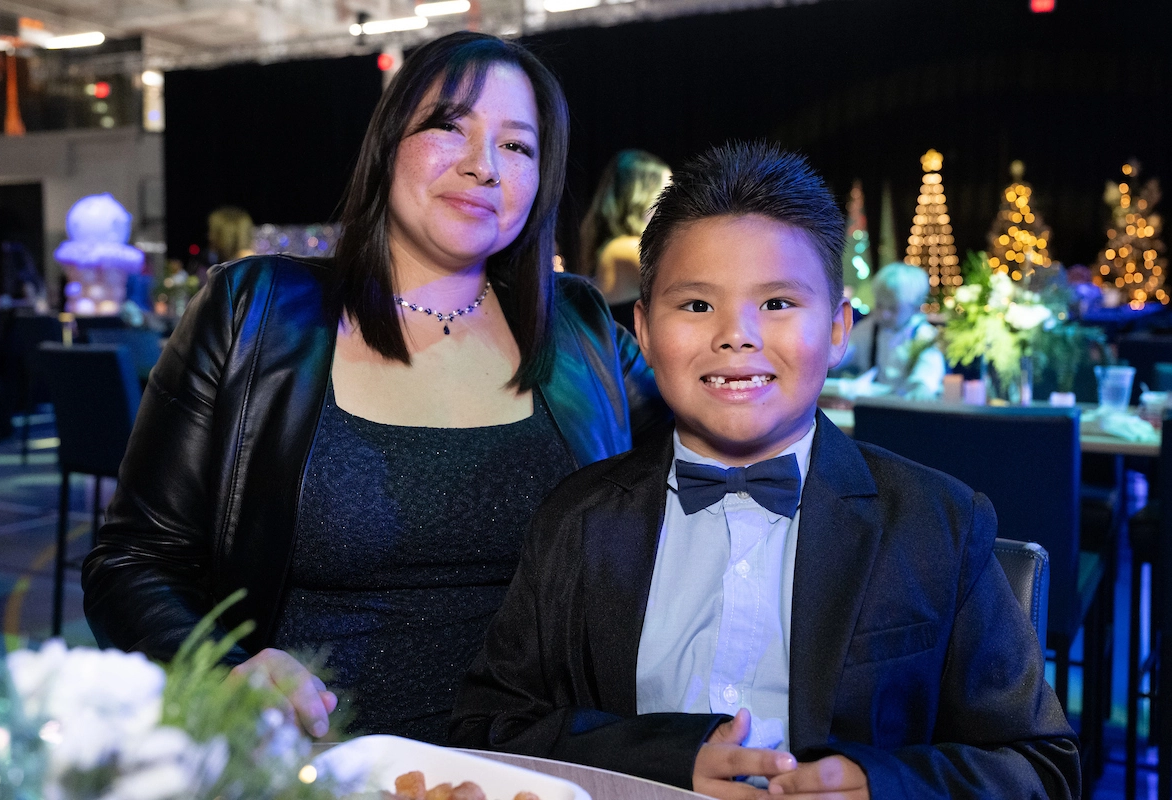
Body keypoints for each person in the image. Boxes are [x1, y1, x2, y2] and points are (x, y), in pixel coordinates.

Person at [82, 31, 665, 744]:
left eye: (517, 145)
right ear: (388, 144)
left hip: (533, 767)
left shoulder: (579, 329)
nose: (483, 166)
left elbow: (709, 464)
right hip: (315, 765)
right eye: (449, 127)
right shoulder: (254, 312)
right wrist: (222, 671)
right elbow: (132, 562)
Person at [451, 142, 1079, 799]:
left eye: (778, 303)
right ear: (643, 331)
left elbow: (1041, 767)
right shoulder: (576, 520)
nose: (737, 335)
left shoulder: (934, 523)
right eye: (697, 305)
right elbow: (489, 725)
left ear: (837, 330)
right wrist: (657, 762)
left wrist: (885, 785)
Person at [578, 150, 672, 332]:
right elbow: (685, 280)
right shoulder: (623, 248)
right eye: (665, 194)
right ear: (641, 197)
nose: (672, 205)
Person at [833, 262, 944, 399]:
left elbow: (927, 377)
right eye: (879, 305)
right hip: (874, 406)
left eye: (893, 308)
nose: (884, 314)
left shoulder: (924, 335)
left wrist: (922, 386)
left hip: (907, 407)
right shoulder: (868, 329)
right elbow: (839, 355)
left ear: (915, 308)